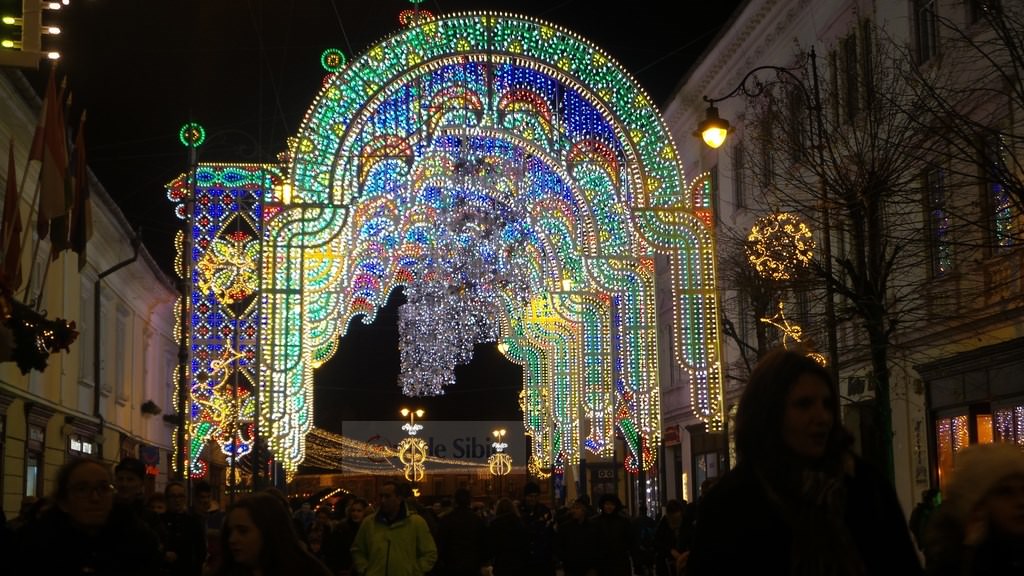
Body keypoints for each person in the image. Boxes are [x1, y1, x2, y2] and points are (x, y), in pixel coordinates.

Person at [686, 347, 923, 576]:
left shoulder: (864, 486)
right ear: (769, 413)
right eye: (804, 404)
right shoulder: (731, 504)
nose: (822, 417)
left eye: (827, 404)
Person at [13, 457, 162, 575]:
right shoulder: (34, 546)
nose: (95, 497)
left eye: (103, 488)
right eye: (82, 489)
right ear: (63, 500)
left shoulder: (139, 542)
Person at [923, 442, 1024, 575]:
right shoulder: (955, 560)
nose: (1020, 501)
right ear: (978, 504)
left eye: (1023, 489)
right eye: (1004, 492)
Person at [216, 491, 333, 576]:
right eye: (230, 531)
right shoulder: (227, 571)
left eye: (243, 531)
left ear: (268, 530)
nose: (232, 539)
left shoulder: (307, 571)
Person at [350, 479, 437, 576]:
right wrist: (365, 569)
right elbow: (358, 550)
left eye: (387, 496)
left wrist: (415, 571)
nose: (383, 500)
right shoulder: (369, 523)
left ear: (399, 498)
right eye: (381, 496)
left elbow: (429, 553)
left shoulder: (416, 522)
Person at [439, 488, 488, 576]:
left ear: (455, 501)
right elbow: (484, 543)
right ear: (470, 501)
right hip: (473, 565)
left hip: (451, 564)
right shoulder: (477, 520)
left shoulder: (446, 519)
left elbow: (441, 543)